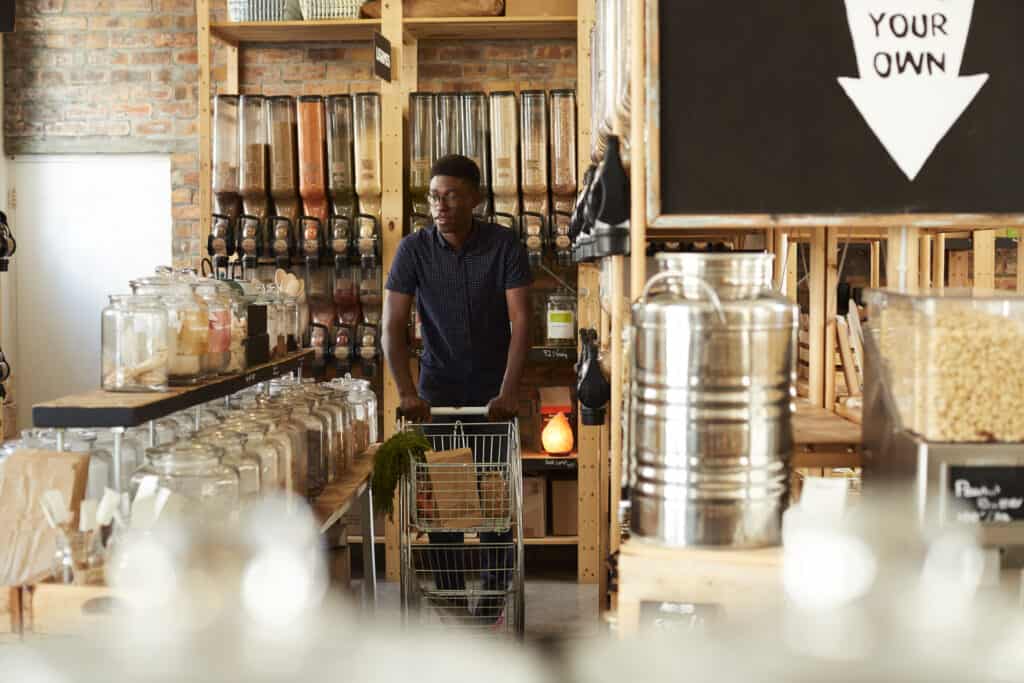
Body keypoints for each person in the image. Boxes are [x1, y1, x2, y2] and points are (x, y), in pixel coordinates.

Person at [382, 154, 532, 624]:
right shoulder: (413, 250)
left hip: (492, 398)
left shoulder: (504, 246)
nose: (440, 206)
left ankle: (490, 609)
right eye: (433, 197)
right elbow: (391, 325)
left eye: (451, 196)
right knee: (444, 511)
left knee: (494, 509)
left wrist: (508, 392)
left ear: (476, 199)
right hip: (437, 396)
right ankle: (453, 611)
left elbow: (523, 321)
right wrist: (407, 392)